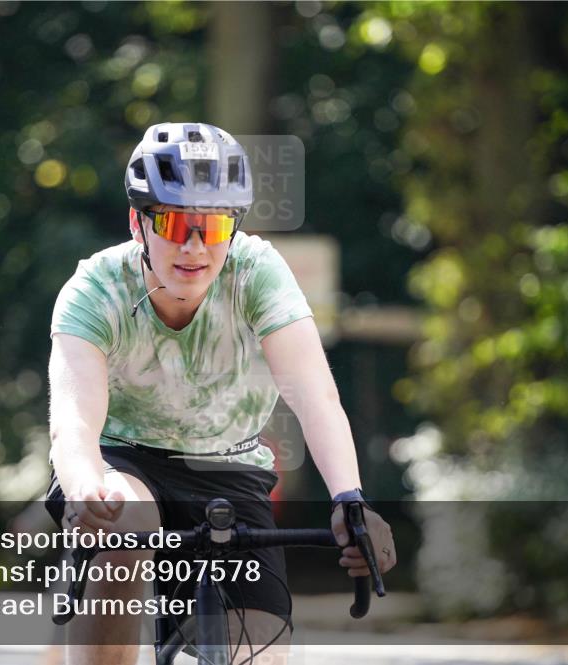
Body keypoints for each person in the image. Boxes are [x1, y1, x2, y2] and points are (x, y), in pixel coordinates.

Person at [45, 122, 396, 665]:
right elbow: (73, 422)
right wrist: (88, 490)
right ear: (138, 222)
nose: (193, 247)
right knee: (125, 524)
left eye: (211, 229)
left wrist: (349, 500)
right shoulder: (95, 289)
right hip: (124, 461)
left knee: (259, 654)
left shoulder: (256, 272)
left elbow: (315, 397)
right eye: (175, 224)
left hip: (227, 469)